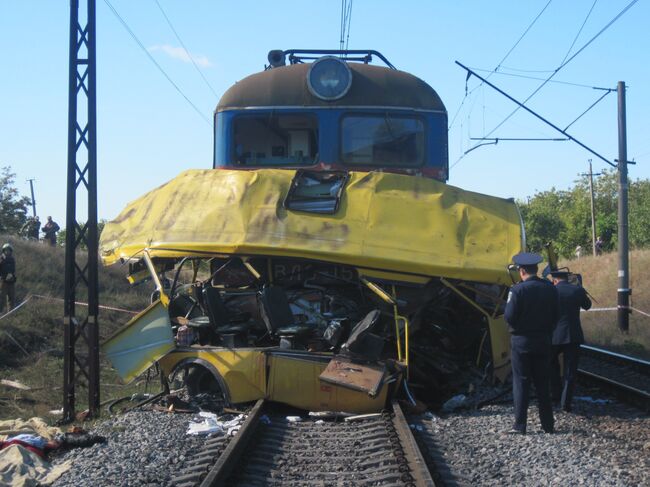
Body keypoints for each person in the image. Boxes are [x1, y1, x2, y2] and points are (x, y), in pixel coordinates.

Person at [504, 252, 559, 434]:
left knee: (521, 382)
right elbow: (557, 315)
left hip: (521, 341)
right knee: (543, 383)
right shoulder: (550, 288)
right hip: (543, 340)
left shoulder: (517, 290)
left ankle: (520, 426)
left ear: (521, 271)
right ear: (536, 269)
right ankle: (548, 425)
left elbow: (509, 316)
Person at [550, 270, 591, 412]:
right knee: (570, 370)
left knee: (550, 365)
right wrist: (580, 287)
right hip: (572, 335)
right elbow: (587, 306)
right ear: (567, 279)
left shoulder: (550, 291)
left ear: (554, 280)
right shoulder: (577, 290)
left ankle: (556, 394)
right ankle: (565, 403)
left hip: (553, 336)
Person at [0, 243, 17, 312]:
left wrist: (11, 276)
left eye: (9, 250)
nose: (7, 251)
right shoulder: (1, 259)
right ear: (3, 251)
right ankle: (0, 314)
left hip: (11, 282)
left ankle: (10, 314)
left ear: (11, 251)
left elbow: (13, 270)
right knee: (1, 299)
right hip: (3, 282)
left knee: (12, 299)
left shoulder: (12, 259)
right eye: (6, 250)